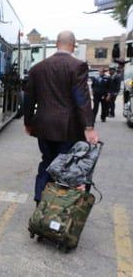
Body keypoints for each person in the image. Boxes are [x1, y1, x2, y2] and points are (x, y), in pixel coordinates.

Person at [23, 31, 99, 205]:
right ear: (73, 45)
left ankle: (40, 202)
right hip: (68, 129)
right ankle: (59, 208)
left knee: (47, 163)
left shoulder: (37, 68)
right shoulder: (77, 66)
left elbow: (28, 99)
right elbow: (82, 98)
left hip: (43, 126)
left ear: (57, 44)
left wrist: (28, 122)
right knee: (67, 167)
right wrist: (89, 127)